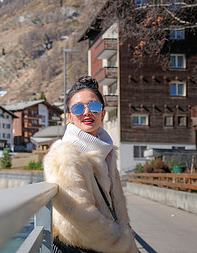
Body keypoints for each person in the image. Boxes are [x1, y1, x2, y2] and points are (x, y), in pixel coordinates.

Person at [44, 76, 137, 253]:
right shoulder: (65, 156)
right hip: (82, 247)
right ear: (70, 116)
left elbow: (115, 204)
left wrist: (125, 228)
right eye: (78, 108)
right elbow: (77, 220)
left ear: (102, 113)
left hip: (105, 244)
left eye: (94, 106)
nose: (87, 112)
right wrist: (121, 239)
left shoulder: (106, 152)